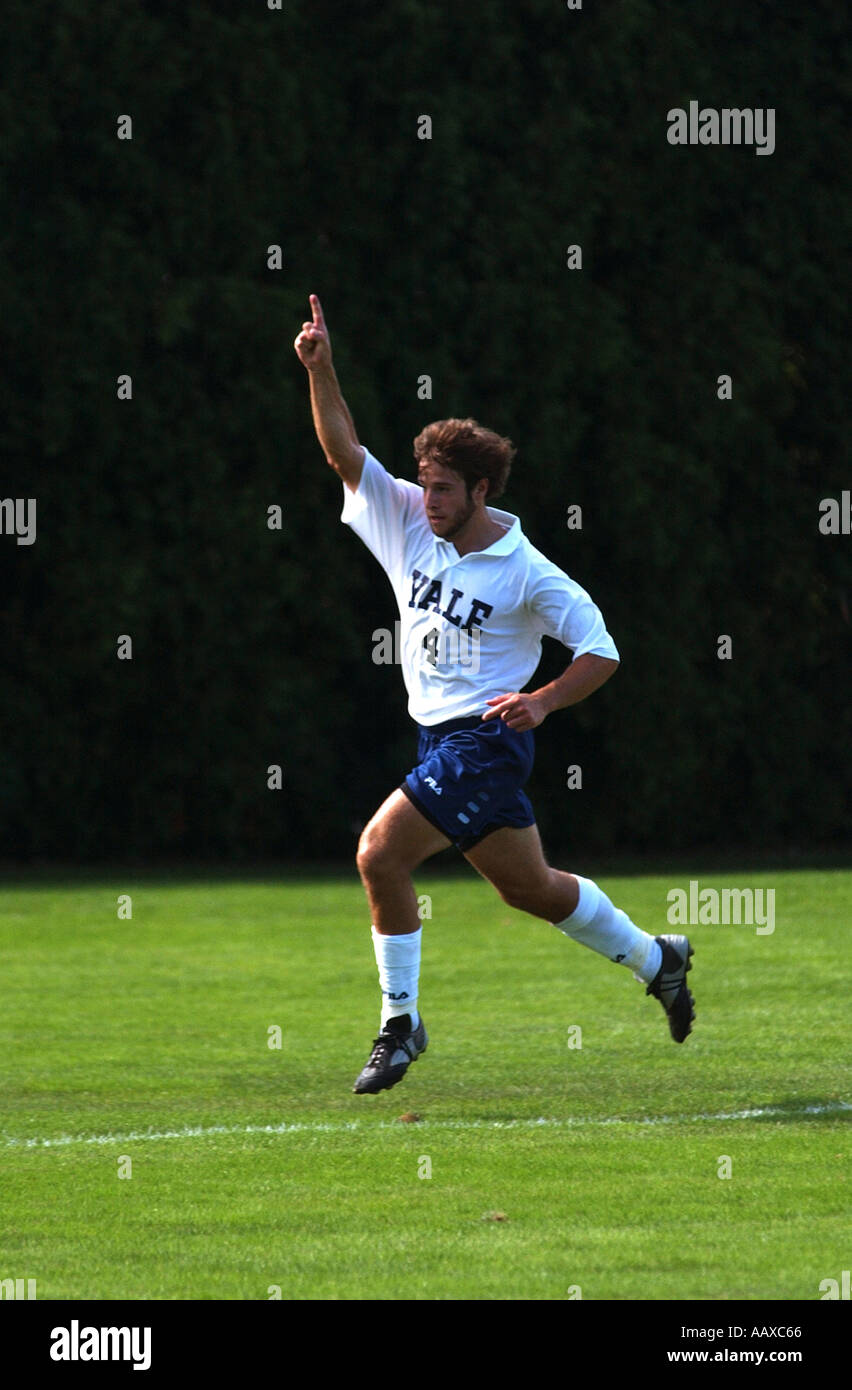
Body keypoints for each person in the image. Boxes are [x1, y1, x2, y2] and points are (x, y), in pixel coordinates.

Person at [294, 294, 695, 1095]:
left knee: (379, 854)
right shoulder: (409, 520)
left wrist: (544, 701)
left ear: (482, 491)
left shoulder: (529, 571)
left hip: (487, 738)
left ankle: (400, 1026)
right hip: (439, 741)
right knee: (532, 890)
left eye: (443, 488)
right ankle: (661, 959)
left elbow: (601, 649)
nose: (427, 498)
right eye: (423, 484)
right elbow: (344, 454)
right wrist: (322, 367)